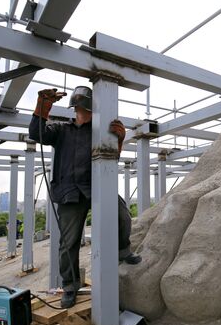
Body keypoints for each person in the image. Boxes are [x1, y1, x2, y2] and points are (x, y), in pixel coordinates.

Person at [29, 87, 141, 308]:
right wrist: (43, 105)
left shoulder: (99, 131)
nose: (83, 111)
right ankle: (70, 286)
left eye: (85, 107)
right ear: (76, 108)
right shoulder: (62, 131)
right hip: (69, 191)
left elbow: (112, 158)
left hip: (96, 186)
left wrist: (118, 141)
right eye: (80, 108)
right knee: (68, 242)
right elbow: (36, 133)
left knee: (122, 216)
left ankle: (123, 251)